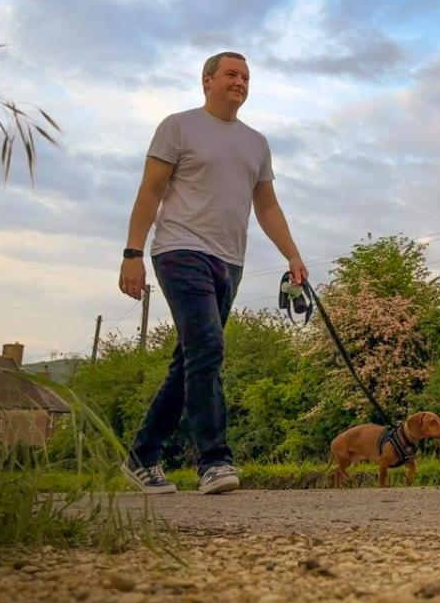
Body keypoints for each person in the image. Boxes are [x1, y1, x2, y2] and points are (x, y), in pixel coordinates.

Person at [117, 51, 307, 494]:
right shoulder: (178, 126)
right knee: (207, 347)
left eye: (245, 76)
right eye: (230, 74)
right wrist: (132, 253)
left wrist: (293, 255)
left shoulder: (256, 142)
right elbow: (150, 191)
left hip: (230, 260)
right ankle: (214, 461)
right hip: (179, 250)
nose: (239, 82)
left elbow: (267, 205)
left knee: (191, 359)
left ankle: (143, 456)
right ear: (207, 81)